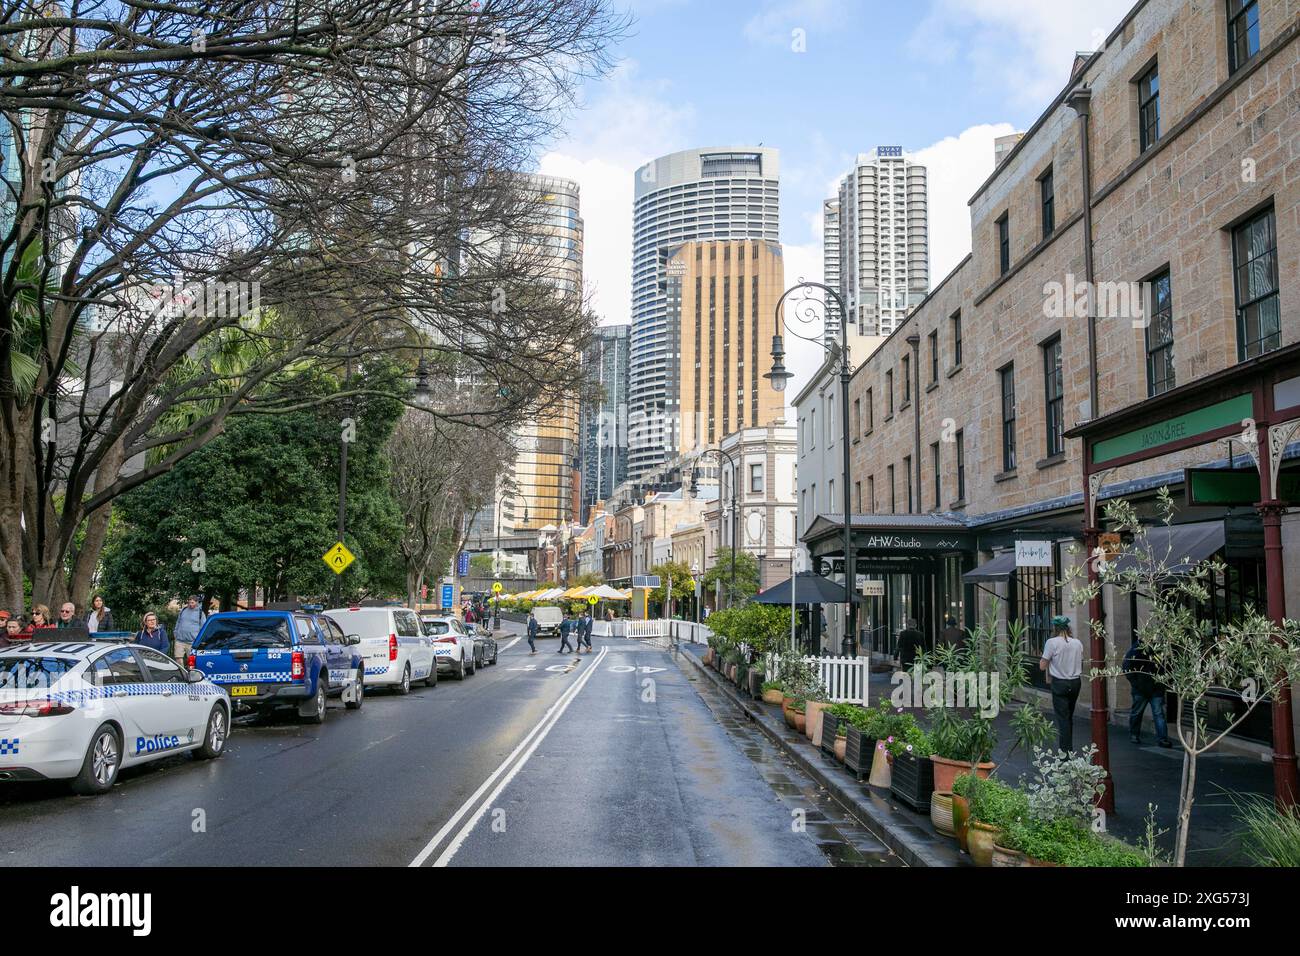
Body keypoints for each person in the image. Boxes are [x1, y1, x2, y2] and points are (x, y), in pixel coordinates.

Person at [1040, 614, 1084, 752]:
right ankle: (1068, 749)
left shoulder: (1051, 642)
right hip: (1075, 682)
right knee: (1069, 716)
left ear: (1055, 628)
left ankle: (1065, 753)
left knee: (1063, 718)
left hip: (1060, 683)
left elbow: (1042, 665)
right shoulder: (1077, 643)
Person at [1124, 639, 1172, 748]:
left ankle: (1161, 738)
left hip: (1154, 688)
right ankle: (1135, 735)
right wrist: (1136, 683)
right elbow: (1127, 666)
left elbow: (1167, 666)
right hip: (1145, 688)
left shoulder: (1157, 648)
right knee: (1147, 713)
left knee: (1155, 713)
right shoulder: (1138, 649)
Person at [173, 594, 206, 662]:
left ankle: (190, 672)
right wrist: (175, 632)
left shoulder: (201, 613)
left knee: (191, 662)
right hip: (180, 640)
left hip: (192, 642)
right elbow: (178, 622)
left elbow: (203, 628)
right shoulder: (183, 610)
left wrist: (199, 639)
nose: (190, 604)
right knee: (178, 659)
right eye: (189, 602)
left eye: (192, 602)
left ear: (197, 602)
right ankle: (182, 673)